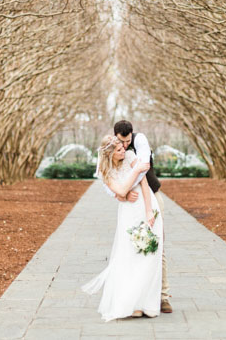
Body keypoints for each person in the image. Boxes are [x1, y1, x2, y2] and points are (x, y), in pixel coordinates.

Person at [82, 135, 163, 321]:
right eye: (118, 150)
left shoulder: (129, 156)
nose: (123, 151)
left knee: (151, 253)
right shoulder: (105, 171)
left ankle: (148, 304)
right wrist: (135, 173)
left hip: (146, 204)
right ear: (109, 154)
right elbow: (120, 190)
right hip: (128, 212)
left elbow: (144, 182)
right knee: (130, 254)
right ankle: (133, 304)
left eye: (123, 148)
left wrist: (149, 210)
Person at [107, 120, 172, 314]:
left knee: (157, 245)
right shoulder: (110, 148)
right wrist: (121, 194)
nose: (125, 145)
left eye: (127, 141)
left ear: (132, 135)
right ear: (115, 136)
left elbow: (141, 168)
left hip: (151, 197)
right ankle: (137, 296)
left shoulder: (140, 141)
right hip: (129, 204)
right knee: (132, 247)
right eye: (121, 141)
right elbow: (104, 178)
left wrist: (125, 189)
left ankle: (163, 297)